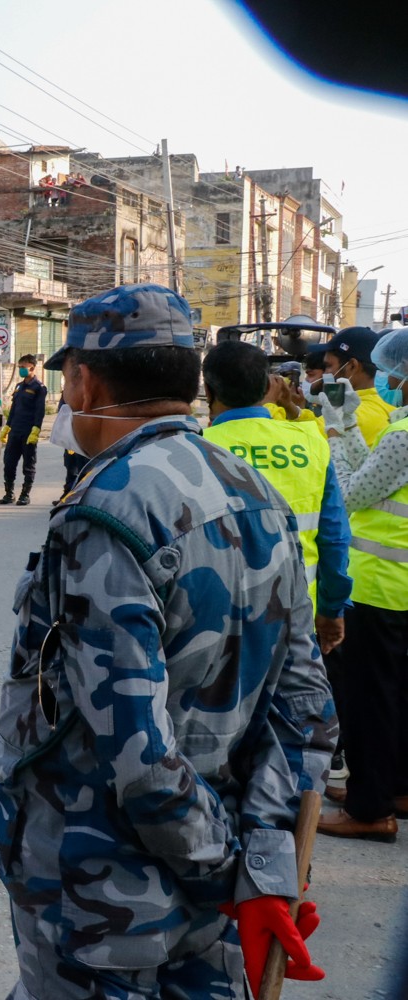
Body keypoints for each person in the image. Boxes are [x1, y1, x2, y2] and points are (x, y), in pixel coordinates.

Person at [0, 283, 335, 1000]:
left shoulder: (107, 508)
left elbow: (138, 753)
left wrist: (231, 870)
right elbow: (305, 706)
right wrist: (260, 868)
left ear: (83, 381)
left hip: (104, 897)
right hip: (214, 895)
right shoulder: (254, 492)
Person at [313, 328, 408, 841]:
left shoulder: (402, 434)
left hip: (381, 585)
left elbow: (349, 492)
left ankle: (371, 810)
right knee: (399, 696)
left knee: (371, 702)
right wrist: (346, 421)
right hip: (401, 586)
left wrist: (337, 426)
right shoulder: (397, 425)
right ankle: (394, 787)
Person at [202, 340, 352, 656]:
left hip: (215, 628)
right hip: (297, 617)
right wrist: (332, 607)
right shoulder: (311, 441)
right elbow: (334, 538)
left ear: (208, 391)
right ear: (268, 386)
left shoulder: (197, 446)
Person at [318, 327, 393, 446]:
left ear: (352, 366)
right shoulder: (386, 402)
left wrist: (277, 407)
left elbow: (307, 437)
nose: (324, 374)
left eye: (328, 366)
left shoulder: (359, 412)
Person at [0, 353, 47, 505]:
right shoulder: (19, 386)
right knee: (9, 463)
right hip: (15, 431)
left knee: (28, 465)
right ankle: (9, 493)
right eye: (19, 367)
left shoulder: (39, 388)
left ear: (32, 367)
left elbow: (40, 411)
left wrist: (36, 430)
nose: (20, 369)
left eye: (23, 367)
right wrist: (7, 426)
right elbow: (14, 409)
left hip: (28, 432)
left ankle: (25, 494)